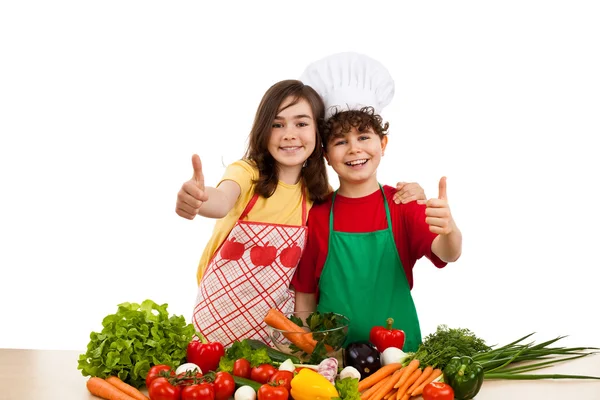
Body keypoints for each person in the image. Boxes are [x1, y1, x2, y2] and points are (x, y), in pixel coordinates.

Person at [175, 79, 427, 347]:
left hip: (277, 332)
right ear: (263, 130)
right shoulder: (247, 174)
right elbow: (222, 200)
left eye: (302, 123)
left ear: (319, 138)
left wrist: (415, 194)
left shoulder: (316, 195)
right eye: (277, 124)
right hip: (218, 316)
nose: (289, 134)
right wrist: (199, 200)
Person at [292, 52, 463, 352]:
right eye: (340, 141)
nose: (354, 149)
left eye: (364, 137)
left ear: (383, 143)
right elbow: (305, 298)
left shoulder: (403, 204)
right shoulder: (317, 215)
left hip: (400, 360)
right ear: (326, 155)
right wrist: (308, 354)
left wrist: (449, 230)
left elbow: (448, 253)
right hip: (334, 362)